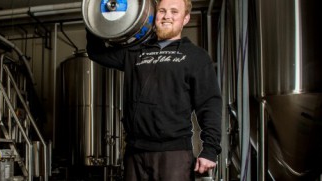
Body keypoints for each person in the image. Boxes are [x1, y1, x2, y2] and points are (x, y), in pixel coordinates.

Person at [86, 0, 222, 180]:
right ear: (153, 15)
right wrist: (93, 17)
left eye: (174, 12)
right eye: (162, 11)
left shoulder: (195, 56)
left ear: (186, 18)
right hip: (135, 153)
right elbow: (97, 53)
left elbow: (209, 104)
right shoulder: (135, 53)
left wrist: (210, 150)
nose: (167, 16)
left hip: (173, 154)